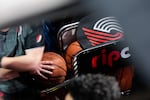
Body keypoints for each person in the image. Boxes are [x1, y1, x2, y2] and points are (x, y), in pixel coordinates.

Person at [0, 23, 55, 100]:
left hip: (32, 85)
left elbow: (33, 62)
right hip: (4, 89)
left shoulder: (31, 21)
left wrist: (2, 62)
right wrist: (27, 68)